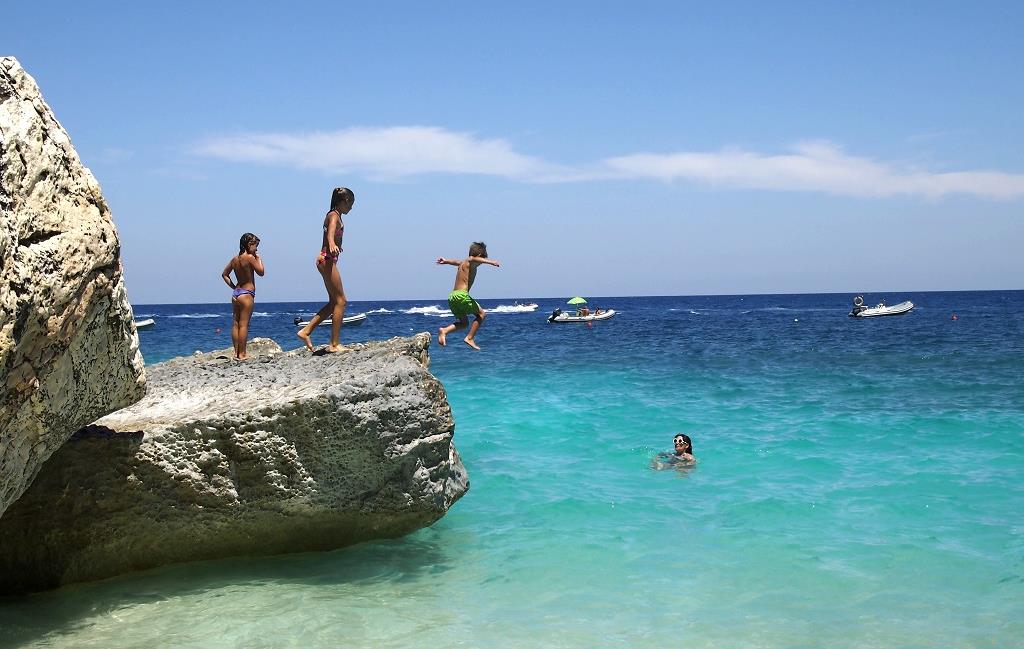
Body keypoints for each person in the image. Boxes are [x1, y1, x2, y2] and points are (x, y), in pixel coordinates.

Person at [297, 187, 355, 353]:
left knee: (333, 303)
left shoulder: (335, 215)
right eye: (350, 204)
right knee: (341, 301)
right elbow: (330, 233)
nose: (351, 208)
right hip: (327, 260)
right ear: (344, 201)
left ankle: (306, 331)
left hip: (326, 259)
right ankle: (334, 344)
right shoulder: (334, 215)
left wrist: (336, 245)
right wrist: (331, 243)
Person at [436, 242, 500, 350]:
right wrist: (491, 262)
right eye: (482, 260)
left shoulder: (464, 263)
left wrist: (446, 261)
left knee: (464, 323)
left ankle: (444, 331)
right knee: (481, 314)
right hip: (462, 295)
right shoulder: (471, 260)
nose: (481, 263)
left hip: (452, 297)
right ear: (479, 256)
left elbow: (456, 261)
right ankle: (469, 338)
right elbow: (473, 259)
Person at [221, 232, 264, 360]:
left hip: (236, 294)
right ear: (249, 244)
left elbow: (224, 274)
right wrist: (258, 258)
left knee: (235, 324)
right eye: (256, 246)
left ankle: (236, 352)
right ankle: (242, 354)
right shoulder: (250, 258)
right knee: (244, 325)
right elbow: (261, 272)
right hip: (247, 294)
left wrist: (234, 287)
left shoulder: (235, 259)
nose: (256, 249)